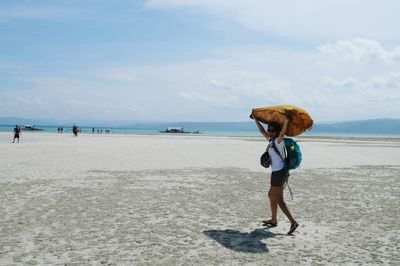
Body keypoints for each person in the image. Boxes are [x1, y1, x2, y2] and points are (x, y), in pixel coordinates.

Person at [254, 116, 299, 235]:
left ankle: (293, 222)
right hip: (276, 172)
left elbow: (283, 132)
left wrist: (286, 121)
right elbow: (262, 131)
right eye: (269, 130)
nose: (270, 132)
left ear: (277, 132)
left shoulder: (279, 141)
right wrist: (256, 119)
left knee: (279, 199)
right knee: (271, 195)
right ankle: (273, 220)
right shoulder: (270, 140)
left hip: (279, 173)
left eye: (273, 130)